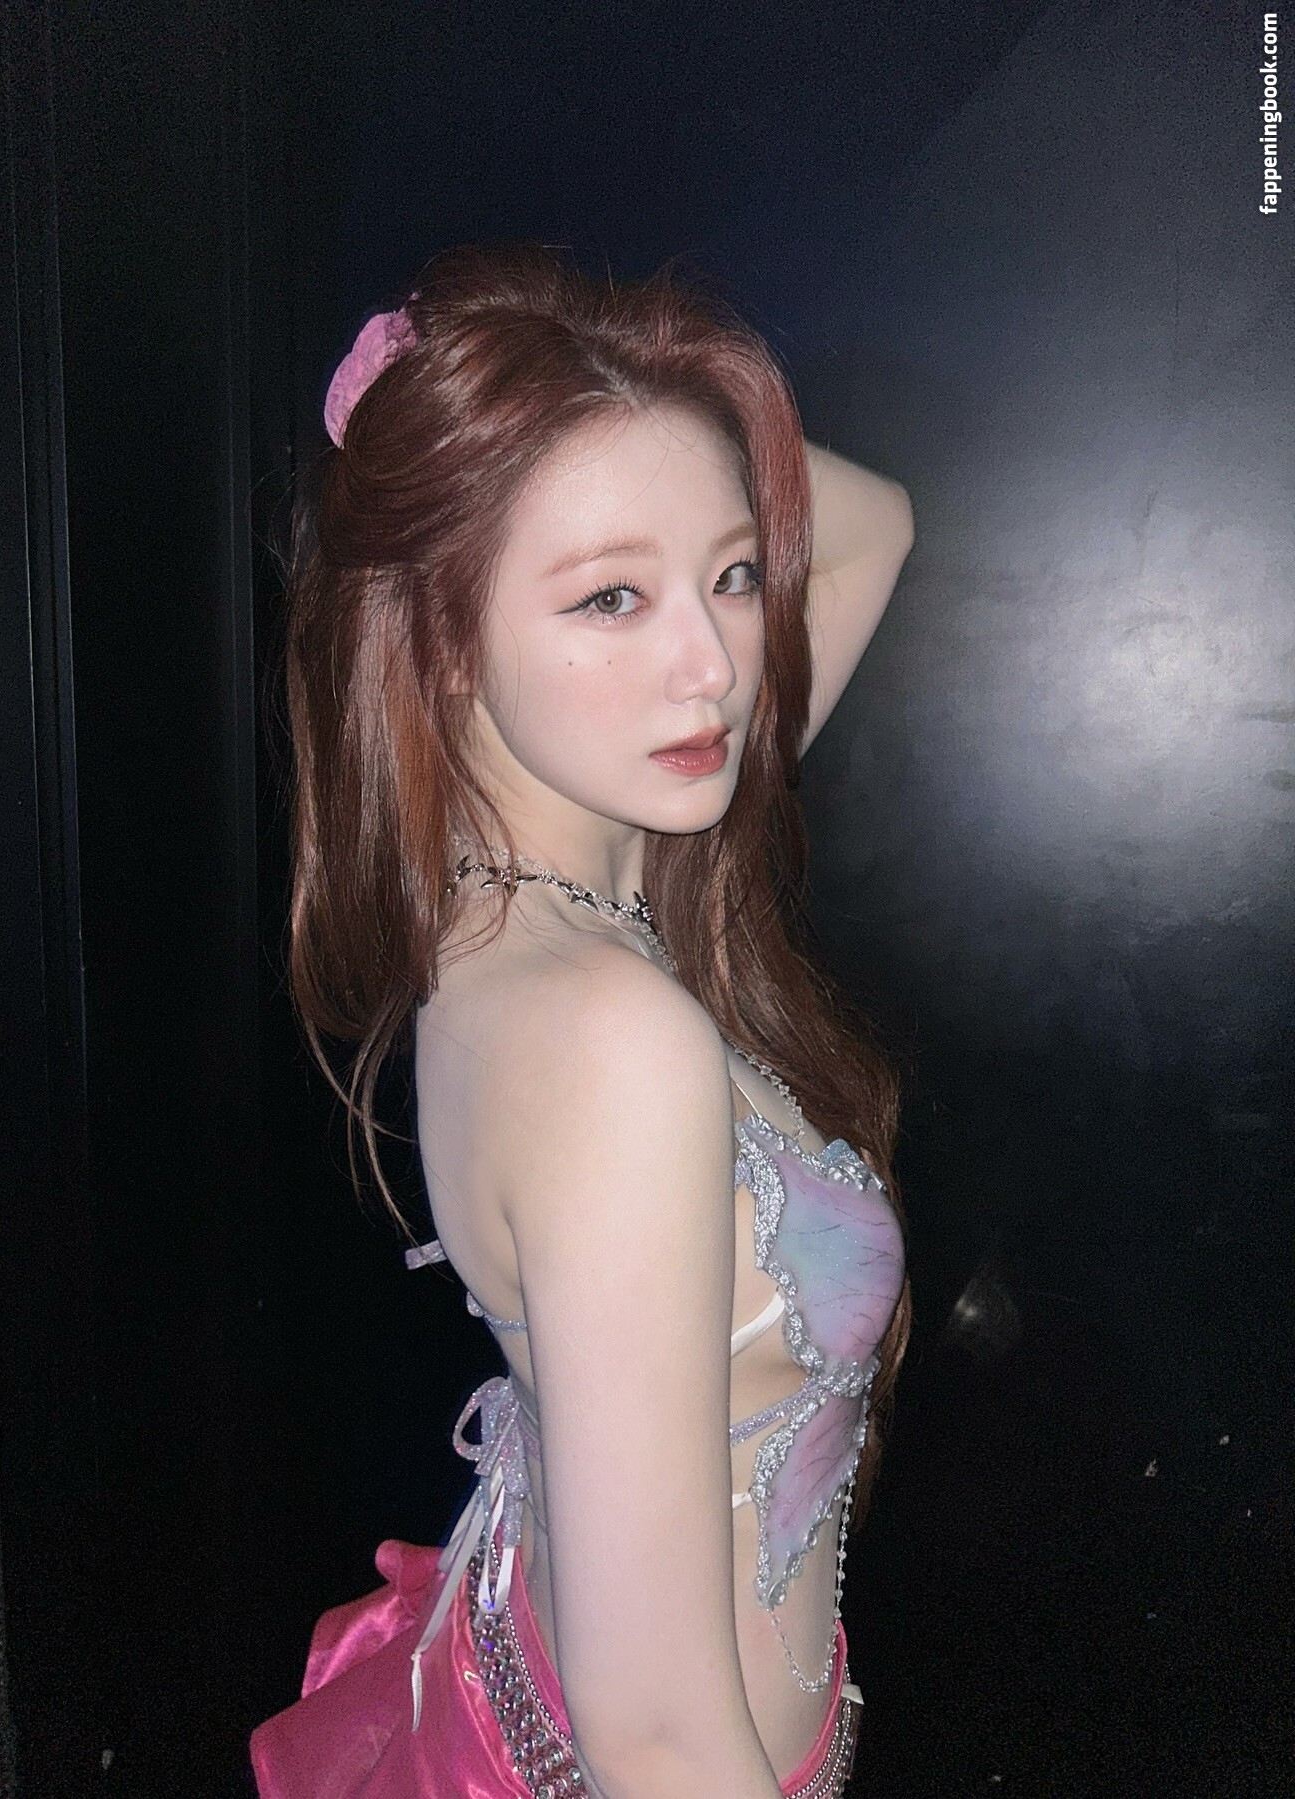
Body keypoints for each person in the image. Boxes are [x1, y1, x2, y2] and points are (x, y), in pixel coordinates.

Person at [249, 241, 915, 1799]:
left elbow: (872, 526)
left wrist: (604, 385)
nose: (714, 667)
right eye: (611, 596)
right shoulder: (608, 1034)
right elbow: (657, 1736)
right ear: (443, 635)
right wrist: (521, 427)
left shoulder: (572, 877)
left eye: (733, 576)